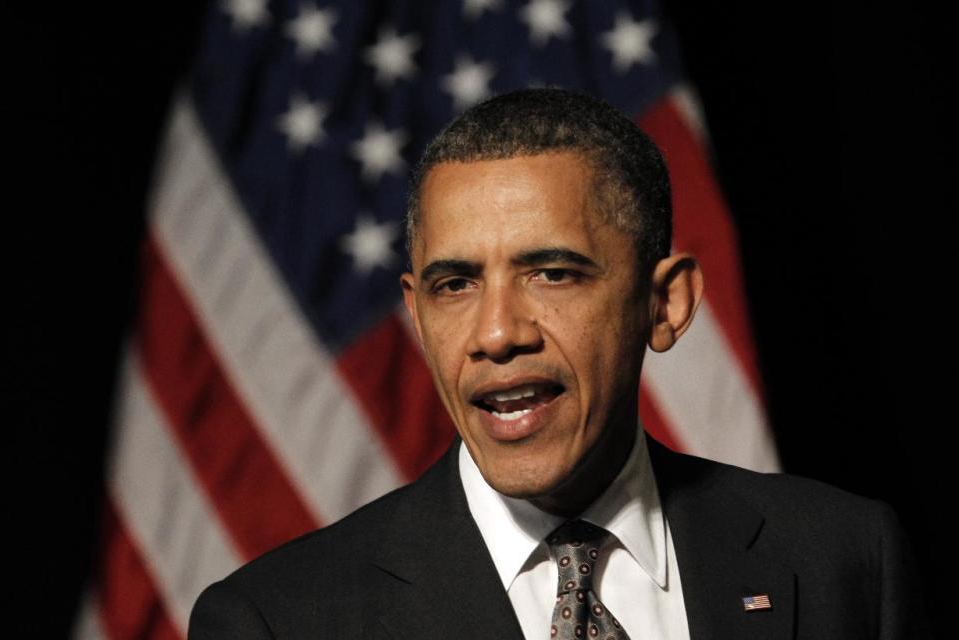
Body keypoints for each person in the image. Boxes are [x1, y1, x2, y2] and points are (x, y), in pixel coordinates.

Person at [188, 88, 930, 639]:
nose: (498, 333)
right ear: (416, 315)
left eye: (553, 273)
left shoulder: (844, 558)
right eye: (456, 285)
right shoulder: (277, 622)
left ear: (665, 304)